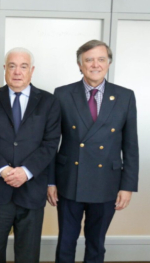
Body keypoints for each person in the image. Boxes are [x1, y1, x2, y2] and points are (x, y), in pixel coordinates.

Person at [47, 40, 139, 263]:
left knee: (96, 243)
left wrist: (127, 186)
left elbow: (130, 145)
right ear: (80, 65)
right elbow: (51, 142)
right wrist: (50, 182)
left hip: (106, 181)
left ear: (108, 63)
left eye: (101, 59)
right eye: (89, 60)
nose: (95, 64)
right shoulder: (62, 94)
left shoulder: (125, 96)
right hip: (69, 180)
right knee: (66, 242)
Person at [0, 47, 61, 263]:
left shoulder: (49, 102)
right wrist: (4, 170)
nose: (17, 72)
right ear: (5, 69)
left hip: (31, 190)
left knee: (28, 255)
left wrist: (25, 171)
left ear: (31, 70)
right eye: (12, 66)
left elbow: (50, 144)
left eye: (23, 67)